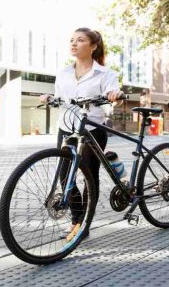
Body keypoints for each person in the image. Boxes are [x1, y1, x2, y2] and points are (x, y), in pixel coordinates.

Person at [40, 27, 124, 240]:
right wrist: (50, 98)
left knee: (89, 178)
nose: (74, 44)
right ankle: (76, 219)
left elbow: (112, 92)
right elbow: (60, 97)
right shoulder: (63, 73)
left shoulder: (105, 73)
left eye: (80, 40)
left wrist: (114, 95)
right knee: (64, 176)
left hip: (92, 130)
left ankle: (83, 225)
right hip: (66, 128)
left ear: (93, 46)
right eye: (71, 40)